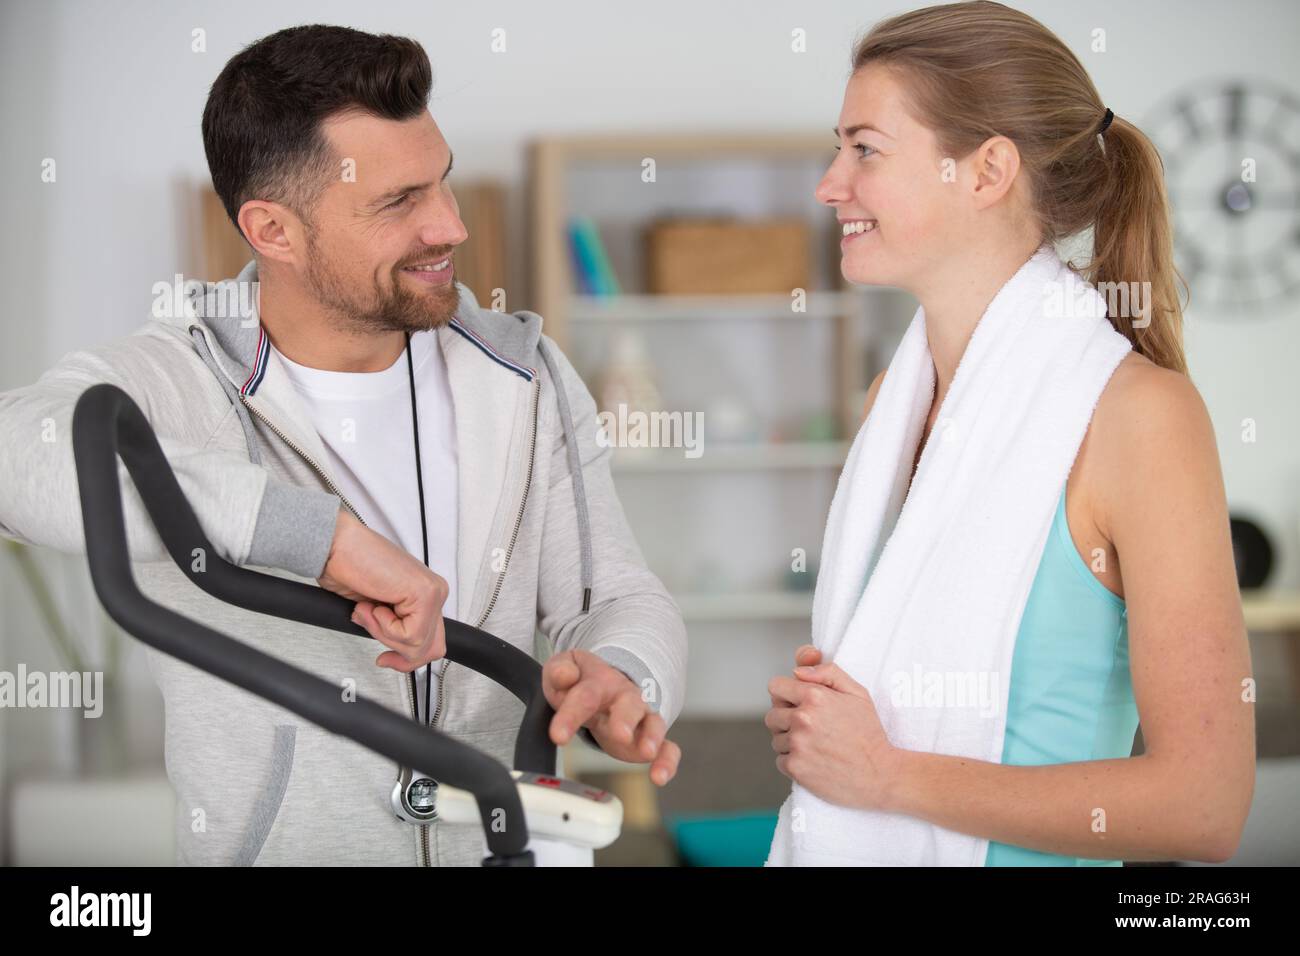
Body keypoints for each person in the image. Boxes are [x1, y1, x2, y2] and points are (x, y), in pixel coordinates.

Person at [0, 24, 686, 866]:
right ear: (273, 231)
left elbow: (614, 592)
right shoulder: (180, 381)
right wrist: (315, 539)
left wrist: (624, 669)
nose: (450, 226)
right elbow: (17, 454)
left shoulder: (522, 374)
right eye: (399, 202)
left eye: (442, 182)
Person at [765, 0, 1254, 865]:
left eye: (865, 149)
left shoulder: (1140, 417)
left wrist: (884, 775)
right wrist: (826, 734)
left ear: (987, 171)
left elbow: (1205, 806)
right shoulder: (893, 405)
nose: (830, 184)